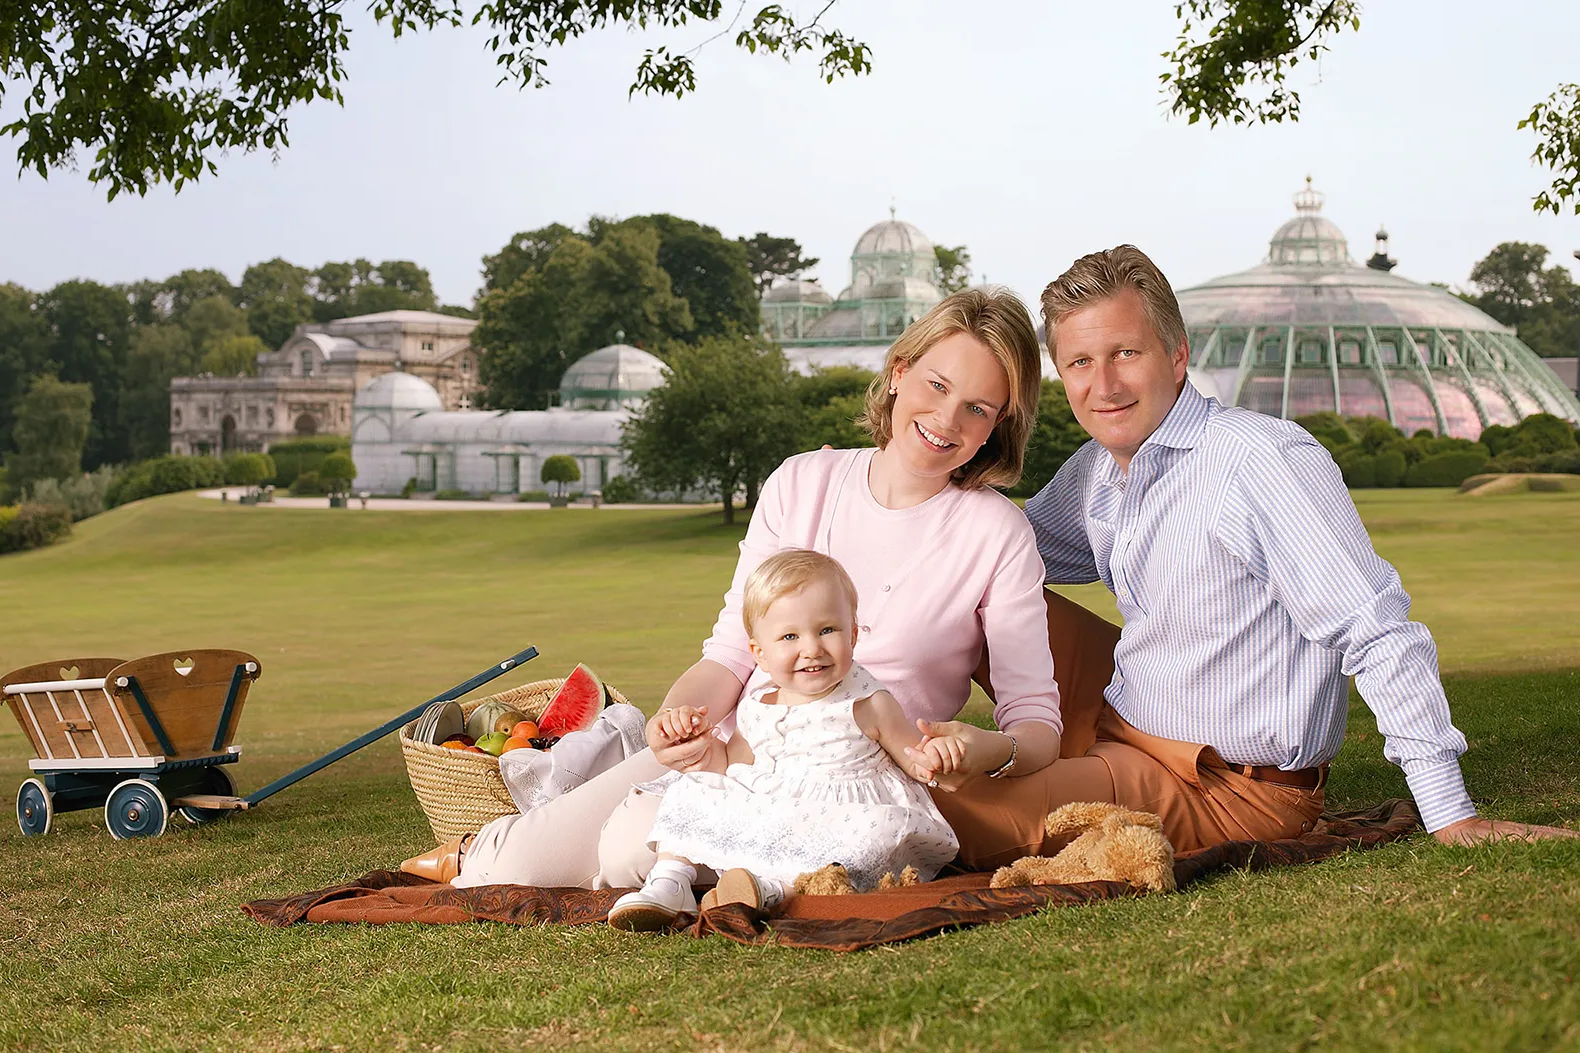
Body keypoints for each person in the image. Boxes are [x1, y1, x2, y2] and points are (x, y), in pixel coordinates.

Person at [928, 244, 1579, 866]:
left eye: (1126, 351)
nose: (1104, 384)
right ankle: (852, 737)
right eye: (1079, 362)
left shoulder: (1259, 461)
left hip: (1223, 782)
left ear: (1178, 356)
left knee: (936, 816)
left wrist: (1450, 810)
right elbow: (997, 546)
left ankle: (912, 787)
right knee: (969, 582)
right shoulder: (1100, 469)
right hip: (1123, 705)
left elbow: (1378, 630)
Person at [399, 286, 1069, 887]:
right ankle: (483, 849)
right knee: (508, 870)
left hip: (847, 790)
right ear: (899, 373)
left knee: (632, 851)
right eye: (936, 385)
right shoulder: (801, 483)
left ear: (998, 425)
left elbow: (1037, 723)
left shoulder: (996, 533)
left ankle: (621, 843)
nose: (948, 420)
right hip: (733, 756)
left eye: (979, 408)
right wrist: (676, 723)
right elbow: (729, 653)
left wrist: (988, 750)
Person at [607, 549, 961, 931]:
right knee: (690, 787)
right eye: (790, 636)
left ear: (854, 634)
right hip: (774, 809)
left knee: (875, 835)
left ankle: (775, 890)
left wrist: (935, 756)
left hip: (841, 815)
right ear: (760, 653)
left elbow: (915, 758)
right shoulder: (759, 704)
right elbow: (734, 767)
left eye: (828, 630)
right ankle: (670, 881)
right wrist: (708, 755)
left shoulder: (869, 703)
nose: (812, 648)